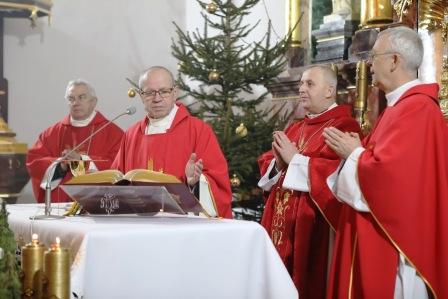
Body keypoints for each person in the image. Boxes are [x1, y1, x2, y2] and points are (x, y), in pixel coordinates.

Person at [323, 26, 448, 299]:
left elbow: (391, 182)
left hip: (397, 246)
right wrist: (355, 153)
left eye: (374, 56)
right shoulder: (399, 107)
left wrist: (353, 153)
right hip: (380, 238)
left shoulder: (417, 109)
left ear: (394, 61)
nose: (368, 63)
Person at [258, 65, 360, 298]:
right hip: (282, 225)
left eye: (309, 84)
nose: (302, 89)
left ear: (329, 90)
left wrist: (294, 160)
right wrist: (278, 165)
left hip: (313, 229)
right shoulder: (297, 126)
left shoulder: (343, 126)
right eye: (301, 84)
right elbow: (270, 164)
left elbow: (335, 175)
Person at [111, 66, 232, 218]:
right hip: (139, 224)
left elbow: (218, 184)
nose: (157, 98)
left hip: (181, 225)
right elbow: (116, 180)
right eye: (149, 92)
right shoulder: (132, 134)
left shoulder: (198, 130)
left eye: (164, 91)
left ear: (175, 93)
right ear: (141, 96)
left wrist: (194, 182)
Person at [26, 79, 124, 203]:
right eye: (71, 99)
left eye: (81, 97)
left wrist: (83, 161)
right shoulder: (52, 133)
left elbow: (119, 166)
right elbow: (34, 162)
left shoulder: (113, 133)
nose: (75, 103)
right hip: (59, 206)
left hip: (96, 205)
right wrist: (59, 165)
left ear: (93, 102)